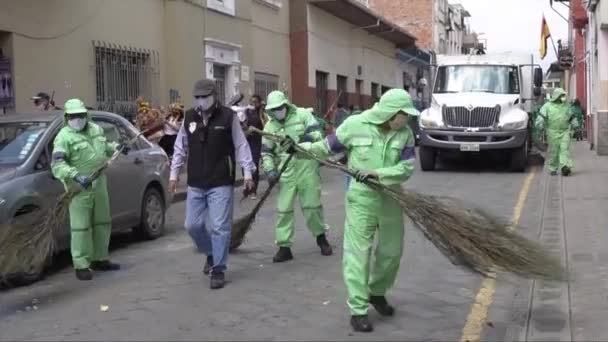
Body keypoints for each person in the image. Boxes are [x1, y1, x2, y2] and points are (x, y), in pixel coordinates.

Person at [295, 89, 419, 332]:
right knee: (358, 254)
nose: (405, 120)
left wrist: (379, 174)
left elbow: (406, 168)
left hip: (391, 198)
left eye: (406, 116)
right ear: (389, 113)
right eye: (403, 115)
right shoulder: (355, 124)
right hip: (361, 199)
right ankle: (358, 309)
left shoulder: (405, 134)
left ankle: (377, 292)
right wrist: (298, 149)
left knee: (392, 253)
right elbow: (326, 147)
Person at [168, 79, 256, 289]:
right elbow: (180, 147)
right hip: (196, 182)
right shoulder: (189, 117)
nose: (201, 101)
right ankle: (210, 253)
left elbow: (241, 144)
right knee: (192, 225)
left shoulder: (228, 117)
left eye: (204, 97)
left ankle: (218, 269)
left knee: (219, 227)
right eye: (197, 97)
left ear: (214, 96)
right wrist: (173, 175)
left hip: (220, 181)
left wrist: (248, 173)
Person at [51, 98, 130, 281]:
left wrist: (117, 147)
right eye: (73, 116)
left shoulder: (95, 129)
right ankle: (81, 265)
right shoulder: (64, 137)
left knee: (102, 221)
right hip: (79, 186)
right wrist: (75, 175)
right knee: (80, 227)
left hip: (99, 181)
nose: (77, 119)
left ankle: (100, 258)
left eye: (80, 115)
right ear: (67, 117)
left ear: (85, 115)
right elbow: (57, 164)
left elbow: (105, 147)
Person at [261, 90, 332, 263]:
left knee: (312, 206)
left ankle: (321, 239)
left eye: (280, 107)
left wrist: (302, 139)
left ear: (285, 105)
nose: (278, 111)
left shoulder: (303, 115)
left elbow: (318, 135)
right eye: (274, 109)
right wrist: (270, 171)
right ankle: (284, 247)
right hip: (286, 172)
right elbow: (267, 152)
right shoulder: (270, 127)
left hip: (307, 167)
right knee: (283, 210)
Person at [535, 88, 578, 176]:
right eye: (562, 96)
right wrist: (540, 125)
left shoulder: (566, 106)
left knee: (564, 149)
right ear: (556, 96)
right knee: (554, 152)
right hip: (552, 133)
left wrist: (576, 126)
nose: (563, 97)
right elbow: (541, 117)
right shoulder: (547, 106)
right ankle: (553, 168)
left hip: (565, 132)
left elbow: (572, 117)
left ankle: (565, 167)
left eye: (564, 96)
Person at [239, 94, 268, 199]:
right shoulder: (245, 112)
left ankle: (253, 190)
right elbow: (241, 126)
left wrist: (260, 116)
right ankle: (248, 186)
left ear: (259, 103)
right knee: (244, 165)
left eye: (255, 102)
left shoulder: (262, 114)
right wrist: (244, 128)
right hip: (246, 141)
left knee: (254, 164)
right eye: (251, 101)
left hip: (257, 141)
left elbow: (266, 129)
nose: (253, 104)